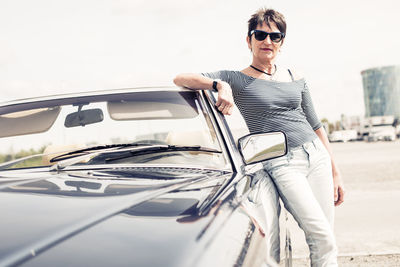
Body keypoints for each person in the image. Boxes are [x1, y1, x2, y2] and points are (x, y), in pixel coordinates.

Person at [173, 7, 345, 266]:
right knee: (322, 237)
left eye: (275, 36)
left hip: (317, 157)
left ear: (282, 42)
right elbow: (180, 78)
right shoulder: (237, 79)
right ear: (249, 39)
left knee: (326, 238)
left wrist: (335, 171)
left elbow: (315, 124)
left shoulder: (295, 76)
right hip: (282, 163)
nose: (267, 41)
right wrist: (220, 85)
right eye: (260, 35)